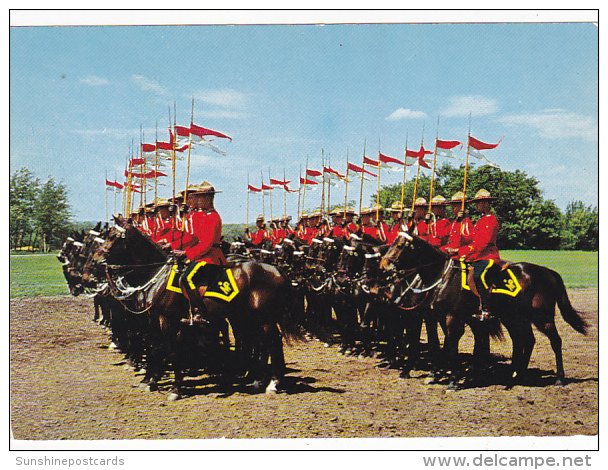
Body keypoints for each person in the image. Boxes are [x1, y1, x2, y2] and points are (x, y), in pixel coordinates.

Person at [444, 189, 500, 321]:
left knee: (478, 275)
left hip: (488, 256)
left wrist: (459, 251)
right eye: (477, 203)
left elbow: (482, 244)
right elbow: (471, 238)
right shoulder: (480, 220)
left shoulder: (490, 220)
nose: (477, 205)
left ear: (487, 203)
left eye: (480, 203)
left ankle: (486, 308)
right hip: (478, 256)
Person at [175, 182, 227, 322]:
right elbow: (194, 238)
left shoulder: (213, 217)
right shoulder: (205, 216)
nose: (197, 200)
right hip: (203, 256)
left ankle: (200, 311)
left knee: (187, 278)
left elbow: (206, 245)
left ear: (208, 199)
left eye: (200, 197)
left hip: (211, 258)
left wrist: (186, 254)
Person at [440, 191, 475, 258]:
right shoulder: (454, 222)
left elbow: (468, 239)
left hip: (459, 252)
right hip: (449, 248)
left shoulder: (466, 223)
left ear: (462, 207)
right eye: (452, 206)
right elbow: (444, 234)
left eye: (455, 206)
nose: (452, 208)